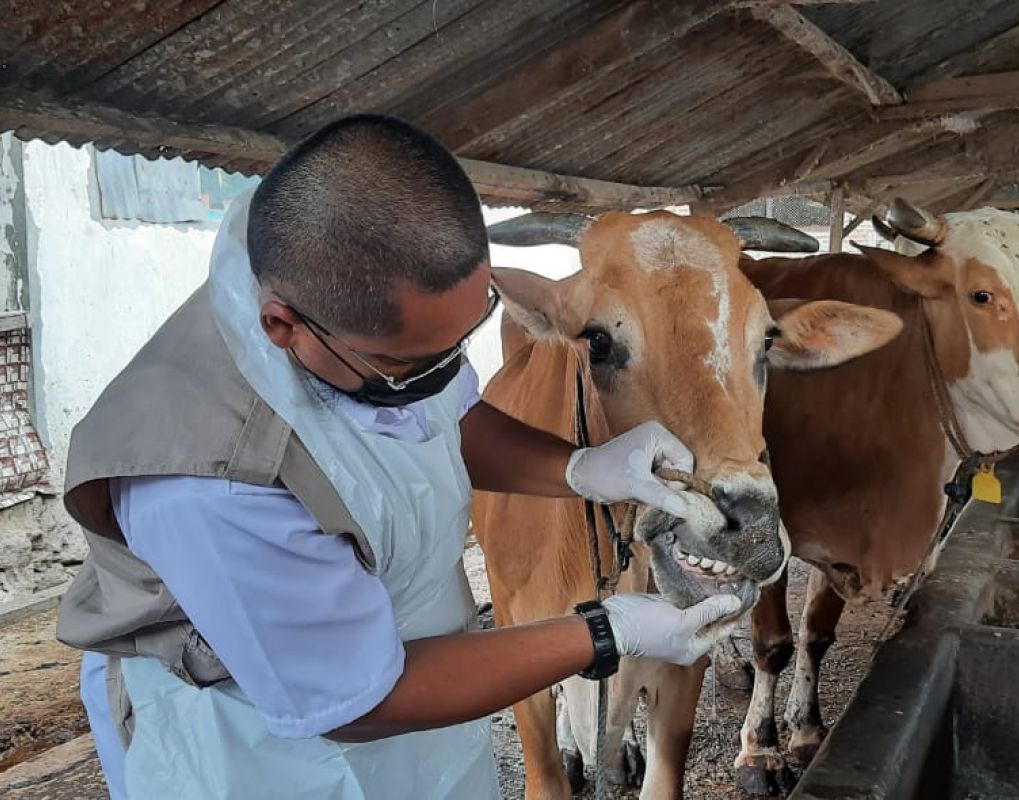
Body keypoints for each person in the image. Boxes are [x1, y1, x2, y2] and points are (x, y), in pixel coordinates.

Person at [55, 114, 741, 800]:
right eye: (412, 364)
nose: (445, 374)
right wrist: (605, 630)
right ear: (283, 325)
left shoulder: (350, 309)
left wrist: (578, 469)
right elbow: (360, 699)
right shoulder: (211, 485)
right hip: (266, 753)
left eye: (460, 344)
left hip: (422, 687)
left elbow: (442, 413)